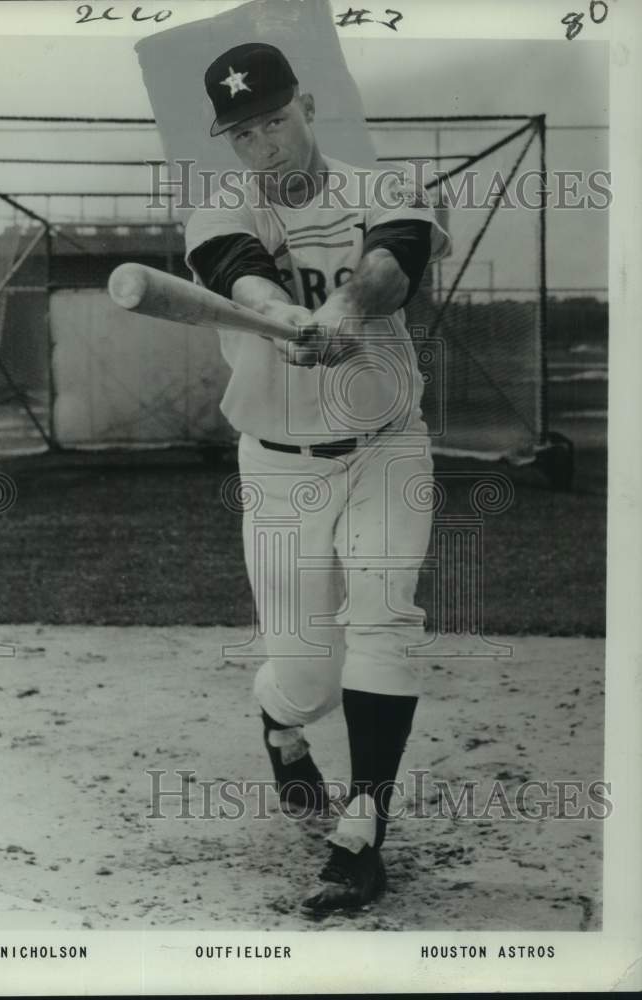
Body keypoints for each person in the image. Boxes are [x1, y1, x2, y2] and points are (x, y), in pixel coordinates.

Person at [184, 42, 451, 915]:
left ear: (304, 105)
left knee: (385, 619)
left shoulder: (385, 187)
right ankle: (280, 723)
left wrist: (340, 309)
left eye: (272, 119)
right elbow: (242, 280)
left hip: (385, 445)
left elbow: (390, 264)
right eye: (242, 132)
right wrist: (288, 316)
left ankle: (362, 830)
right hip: (278, 466)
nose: (262, 144)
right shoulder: (216, 209)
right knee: (305, 675)